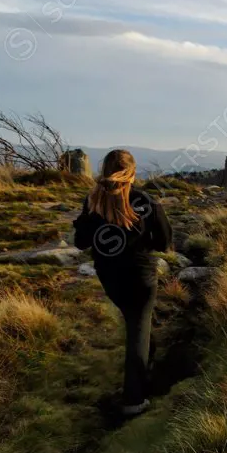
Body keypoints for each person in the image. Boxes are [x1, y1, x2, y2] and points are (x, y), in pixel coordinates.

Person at [73, 150, 172, 418]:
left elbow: (80, 242)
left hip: (109, 277)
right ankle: (134, 400)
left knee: (137, 325)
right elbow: (164, 241)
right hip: (140, 276)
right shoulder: (144, 201)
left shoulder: (92, 200)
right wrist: (141, 243)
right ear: (132, 171)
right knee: (137, 329)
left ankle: (145, 374)